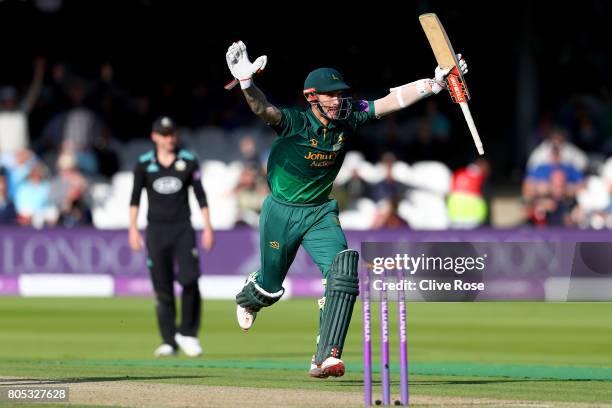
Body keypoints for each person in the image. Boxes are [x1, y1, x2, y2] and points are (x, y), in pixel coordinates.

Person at [225, 41, 468, 378]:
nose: (339, 100)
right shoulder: (295, 121)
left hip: (320, 211)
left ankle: (325, 356)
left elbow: (388, 102)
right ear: (313, 97)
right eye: (331, 95)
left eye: (340, 94)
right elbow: (264, 110)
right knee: (269, 288)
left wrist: (434, 84)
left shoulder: (349, 115)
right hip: (281, 211)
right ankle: (249, 296)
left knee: (342, 273)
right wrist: (247, 83)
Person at [128, 116, 215, 357]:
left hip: (182, 228)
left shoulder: (187, 161)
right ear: (154, 136)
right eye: (164, 135)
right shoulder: (144, 164)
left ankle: (188, 334)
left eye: (172, 134)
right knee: (162, 287)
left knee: (189, 280)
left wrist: (208, 227)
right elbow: (134, 198)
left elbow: (200, 195)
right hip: (156, 230)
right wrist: (132, 229)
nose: (169, 139)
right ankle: (168, 340)